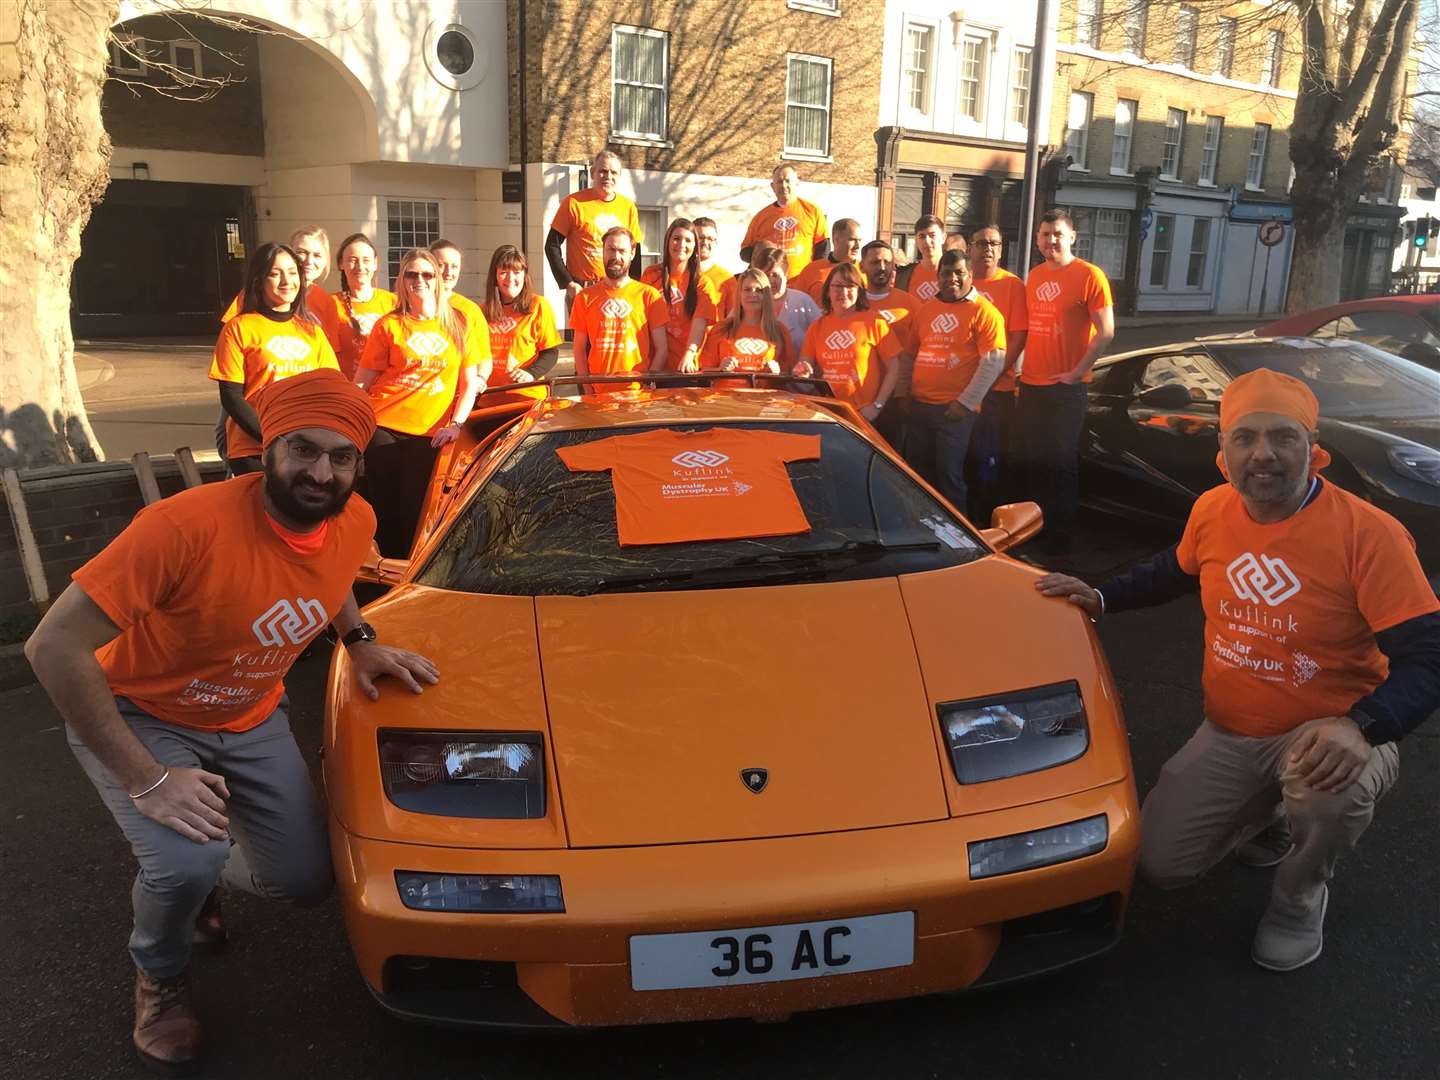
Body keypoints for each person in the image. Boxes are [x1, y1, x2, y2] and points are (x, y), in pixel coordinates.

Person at [24, 369, 441, 1073]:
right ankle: (160, 971)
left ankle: (198, 872)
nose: (321, 472)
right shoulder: (182, 527)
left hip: (248, 717)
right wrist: (147, 780)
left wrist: (360, 640)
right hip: (142, 712)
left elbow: (333, 573)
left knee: (308, 880)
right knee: (183, 861)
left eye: (342, 457)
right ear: (267, 447)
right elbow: (51, 645)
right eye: (303, 450)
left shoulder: (357, 517)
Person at [1035, 369, 1440, 971]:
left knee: (1331, 789)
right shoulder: (1213, 509)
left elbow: (1428, 656)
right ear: (1222, 453)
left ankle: (1299, 896)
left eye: (1284, 437)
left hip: (1333, 731)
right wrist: (1101, 596)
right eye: (1245, 438)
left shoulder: (1369, 535)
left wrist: (1364, 725)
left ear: (1313, 446)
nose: (1264, 455)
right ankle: (1270, 817)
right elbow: (1175, 570)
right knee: (1160, 865)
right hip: (1233, 729)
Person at [356, 247, 491, 557]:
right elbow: (362, 383)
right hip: (384, 427)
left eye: (427, 274)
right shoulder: (388, 325)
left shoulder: (458, 323)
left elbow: (469, 383)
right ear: (401, 280)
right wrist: (351, 429)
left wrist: (456, 425)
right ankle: (387, 580)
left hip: (431, 435)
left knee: (418, 511)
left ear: (437, 280)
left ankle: (411, 576)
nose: (419, 280)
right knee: (387, 513)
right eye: (411, 274)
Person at [1019, 209, 1114, 552]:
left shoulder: (1089, 275)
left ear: (1072, 237)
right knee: (1034, 460)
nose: (1051, 240)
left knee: (1060, 462)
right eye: (1045, 235)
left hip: (1066, 388)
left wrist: (1077, 372)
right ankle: (1033, 531)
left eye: (1057, 234)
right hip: (1031, 384)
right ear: (1038, 240)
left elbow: (1106, 332)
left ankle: (1060, 539)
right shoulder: (1036, 275)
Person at [210, 243, 342, 476]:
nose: (286, 281)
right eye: (275, 273)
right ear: (258, 281)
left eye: (292, 273)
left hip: (306, 449)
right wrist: (275, 436)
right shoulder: (239, 328)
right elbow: (231, 397)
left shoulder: (312, 333)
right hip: (254, 448)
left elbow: (332, 390)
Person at [900, 249, 1006, 511]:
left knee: (949, 477)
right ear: (938, 277)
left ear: (970, 275)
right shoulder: (926, 310)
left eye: (959, 273)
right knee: (918, 476)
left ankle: (959, 540)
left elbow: (993, 362)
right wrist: (905, 394)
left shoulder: (985, 312)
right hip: (920, 408)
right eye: (946, 273)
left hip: (953, 412)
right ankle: (920, 527)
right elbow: (909, 356)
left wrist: (965, 403)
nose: (953, 279)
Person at [967, 223, 1029, 518]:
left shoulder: (1012, 285)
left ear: (1001, 249)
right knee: (965, 457)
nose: (987, 249)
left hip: (995, 391)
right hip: (962, 390)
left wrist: (991, 375)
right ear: (970, 248)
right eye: (981, 243)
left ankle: (989, 521)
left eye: (994, 243)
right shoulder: (963, 283)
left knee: (989, 458)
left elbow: (1017, 337)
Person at [792, 263, 902, 422]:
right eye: (837, 286)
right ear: (828, 291)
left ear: (859, 291)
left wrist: (877, 406)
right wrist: (802, 370)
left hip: (865, 414)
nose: (843, 292)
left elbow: (894, 368)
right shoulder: (817, 326)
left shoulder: (874, 322)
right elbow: (805, 365)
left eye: (850, 286)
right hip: (829, 412)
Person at [570, 227, 669, 388]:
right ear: (603, 252)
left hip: (636, 394)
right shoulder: (584, 297)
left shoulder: (649, 296)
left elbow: (662, 348)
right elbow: (579, 349)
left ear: (632, 254)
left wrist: (648, 382)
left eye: (622, 251)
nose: (616, 256)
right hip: (598, 393)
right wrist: (587, 386)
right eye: (611, 249)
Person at [545, 150, 643, 308]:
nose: (608, 177)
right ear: (592, 173)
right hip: (583, 290)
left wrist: (635, 286)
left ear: (619, 176)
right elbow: (551, 245)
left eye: (613, 172)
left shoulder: (628, 207)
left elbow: (635, 250)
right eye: (603, 171)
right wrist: (568, 282)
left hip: (617, 289)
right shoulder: (573, 203)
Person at [640, 218, 720, 374]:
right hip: (654, 366)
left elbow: (700, 324)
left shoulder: (703, 283)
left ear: (695, 246)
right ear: (668, 241)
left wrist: (689, 354)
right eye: (676, 238)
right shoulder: (651, 275)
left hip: (685, 368)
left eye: (688, 240)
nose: (682, 245)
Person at [859, 240, 918, 451]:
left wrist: (907, 391)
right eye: (875, 262)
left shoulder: (909, 303)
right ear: (862, 266)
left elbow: (919, 349)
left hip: (897, 396)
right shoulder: (855, 303)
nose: (882, 267)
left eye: (887, 262)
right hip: (861, 397)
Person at [483, 244, 562, 385]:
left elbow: (551, 353)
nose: (510, 278)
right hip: (488, 396)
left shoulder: (538, 306)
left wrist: (531, 373)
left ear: (525, 275)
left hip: (526, 395)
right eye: (503, 272)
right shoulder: (481, 311)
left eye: (516, 272)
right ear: (494, 275)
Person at [698, 267, 792, 385]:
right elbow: (703, 371)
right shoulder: (721, 329)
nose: (753, 294)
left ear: (766, 295)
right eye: (747, 289)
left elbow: (790, 376)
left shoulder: (779, 331)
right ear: (739, 294)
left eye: (759, 290)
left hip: (763, 400)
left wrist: (777, 372)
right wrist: (720, 369)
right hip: (726, 399)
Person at [741, 164, 829, 279]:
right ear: (772, 186)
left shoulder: (812, 211)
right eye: (779, 182)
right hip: (769, 283)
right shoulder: (761, 217)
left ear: (797, 183)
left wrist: (815, 275)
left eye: (788, 181)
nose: (783, 185)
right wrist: (763, 253)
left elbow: (823, 248)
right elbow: (744, 252)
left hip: (802, 281)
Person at [332, 233, 397, 379]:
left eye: (366, 260)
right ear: (341, 263)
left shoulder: (394, 302)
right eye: (353, 260)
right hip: (347, 389)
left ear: (375, 263)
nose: (360, 267)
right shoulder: (330, 304)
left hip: (385, 391)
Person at [791, 218, 863, 304]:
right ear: (836, 240)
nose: (857, 246)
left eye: (859, 240)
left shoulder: (865, 271)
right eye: (852, 240)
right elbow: (796, 304)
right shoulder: (811, 270)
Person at [430, 238, 490, 342]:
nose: (448, 272)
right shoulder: (413, 305)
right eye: (441, 265)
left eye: (454, 266)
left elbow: (482, 356)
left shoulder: (470, 310)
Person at [895, 214, 946, 301]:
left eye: (932, 235)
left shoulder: (955, 274)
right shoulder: (903, 276)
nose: (927, 241)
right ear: (916, 240)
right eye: (922, 236)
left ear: (943, 238)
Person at [693, 216, 732, 296]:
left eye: (710, 239)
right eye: (700, 238)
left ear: (716, 242)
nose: (705, 242)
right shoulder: (678, 275)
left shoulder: (727, 279)